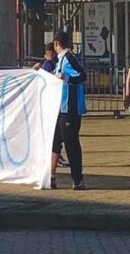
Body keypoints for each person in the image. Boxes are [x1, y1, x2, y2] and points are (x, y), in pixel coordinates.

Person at [50, 31, 87, 190]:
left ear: (56, 44)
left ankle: (78, 179)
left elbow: (82, 75)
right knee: (55, 141)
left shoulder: (69, 58)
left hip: (70, 110)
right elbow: (55, 77)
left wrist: (66, 78)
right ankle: (50, 176)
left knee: (71, 144)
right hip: (60, 108)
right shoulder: (60, 60)